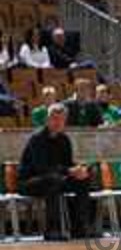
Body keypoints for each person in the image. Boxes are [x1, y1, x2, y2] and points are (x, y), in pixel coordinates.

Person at [18, 102, 95, 240]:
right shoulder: (37, 139)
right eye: (54, 119)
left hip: (57, 178)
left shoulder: (64, 139)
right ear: (47, 120)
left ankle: (80, 227)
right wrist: (69, 170)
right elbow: (41, 168)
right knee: (53, 180)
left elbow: (68, 164)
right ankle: (52, 229)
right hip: (31, 181)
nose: (58, 122)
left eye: (61, 119)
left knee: (84, 179)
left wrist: (79, 170)